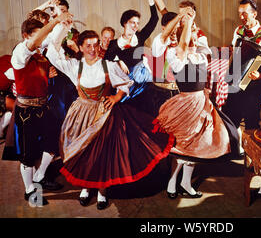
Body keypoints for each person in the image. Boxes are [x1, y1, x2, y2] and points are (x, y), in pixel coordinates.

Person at [46, 28, 173, 210]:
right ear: (80, 47)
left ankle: (102, 191)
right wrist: (60, 26)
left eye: (96, 45)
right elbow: (52, 52)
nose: (92, 49)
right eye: (88, 45)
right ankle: (85, 187)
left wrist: (115, 97)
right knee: (83, 152)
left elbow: (126, 83)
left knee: (101, 153)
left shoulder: (108, 66)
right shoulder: (74, 66)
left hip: (104, 114)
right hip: (80, 114)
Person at [152, 10, 239, 199]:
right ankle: (173, 182)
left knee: (196, 146)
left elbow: (193, 45)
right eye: (193, 29)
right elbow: (182, 45)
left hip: (202, 102)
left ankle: (183, 182)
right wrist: (186, 22)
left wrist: (189, 23)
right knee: (184, 146)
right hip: (186, 105)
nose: (197, 31)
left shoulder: (199, 51)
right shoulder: (174, 54)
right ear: (184, 32)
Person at [3, 14, 70, 206]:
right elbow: (38, 41)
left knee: (53, 144)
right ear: (26, 35)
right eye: (36, 34)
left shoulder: (40, 53)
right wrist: (55, 22)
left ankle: (40, 176)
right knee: (28, 154)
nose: (41, 38)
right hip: (26, 112)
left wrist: (64, 26)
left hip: (43, 106)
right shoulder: (19, 54)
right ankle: (29, 190)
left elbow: (52, 40)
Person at [221, 0, 261, 130]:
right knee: (230, 118)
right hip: (235, 80)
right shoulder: (238, 30)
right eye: (239, 13)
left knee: (252, 121)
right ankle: (231, 148)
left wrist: (259, 75)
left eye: (245, 13)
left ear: (254, 14)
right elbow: (235, 52)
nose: (241, 16)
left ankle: (252, 148)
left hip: (253, 84)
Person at [104, 0, 158, 108]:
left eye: (137, 23)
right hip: (124, 88)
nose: (135, 26)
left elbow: (154, 19)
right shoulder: (114, 44)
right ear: (124, 23)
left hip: (143, 85)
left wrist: (151, 0)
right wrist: (118, 62)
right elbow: (105, 64)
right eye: (132, 23)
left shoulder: (139, 37)